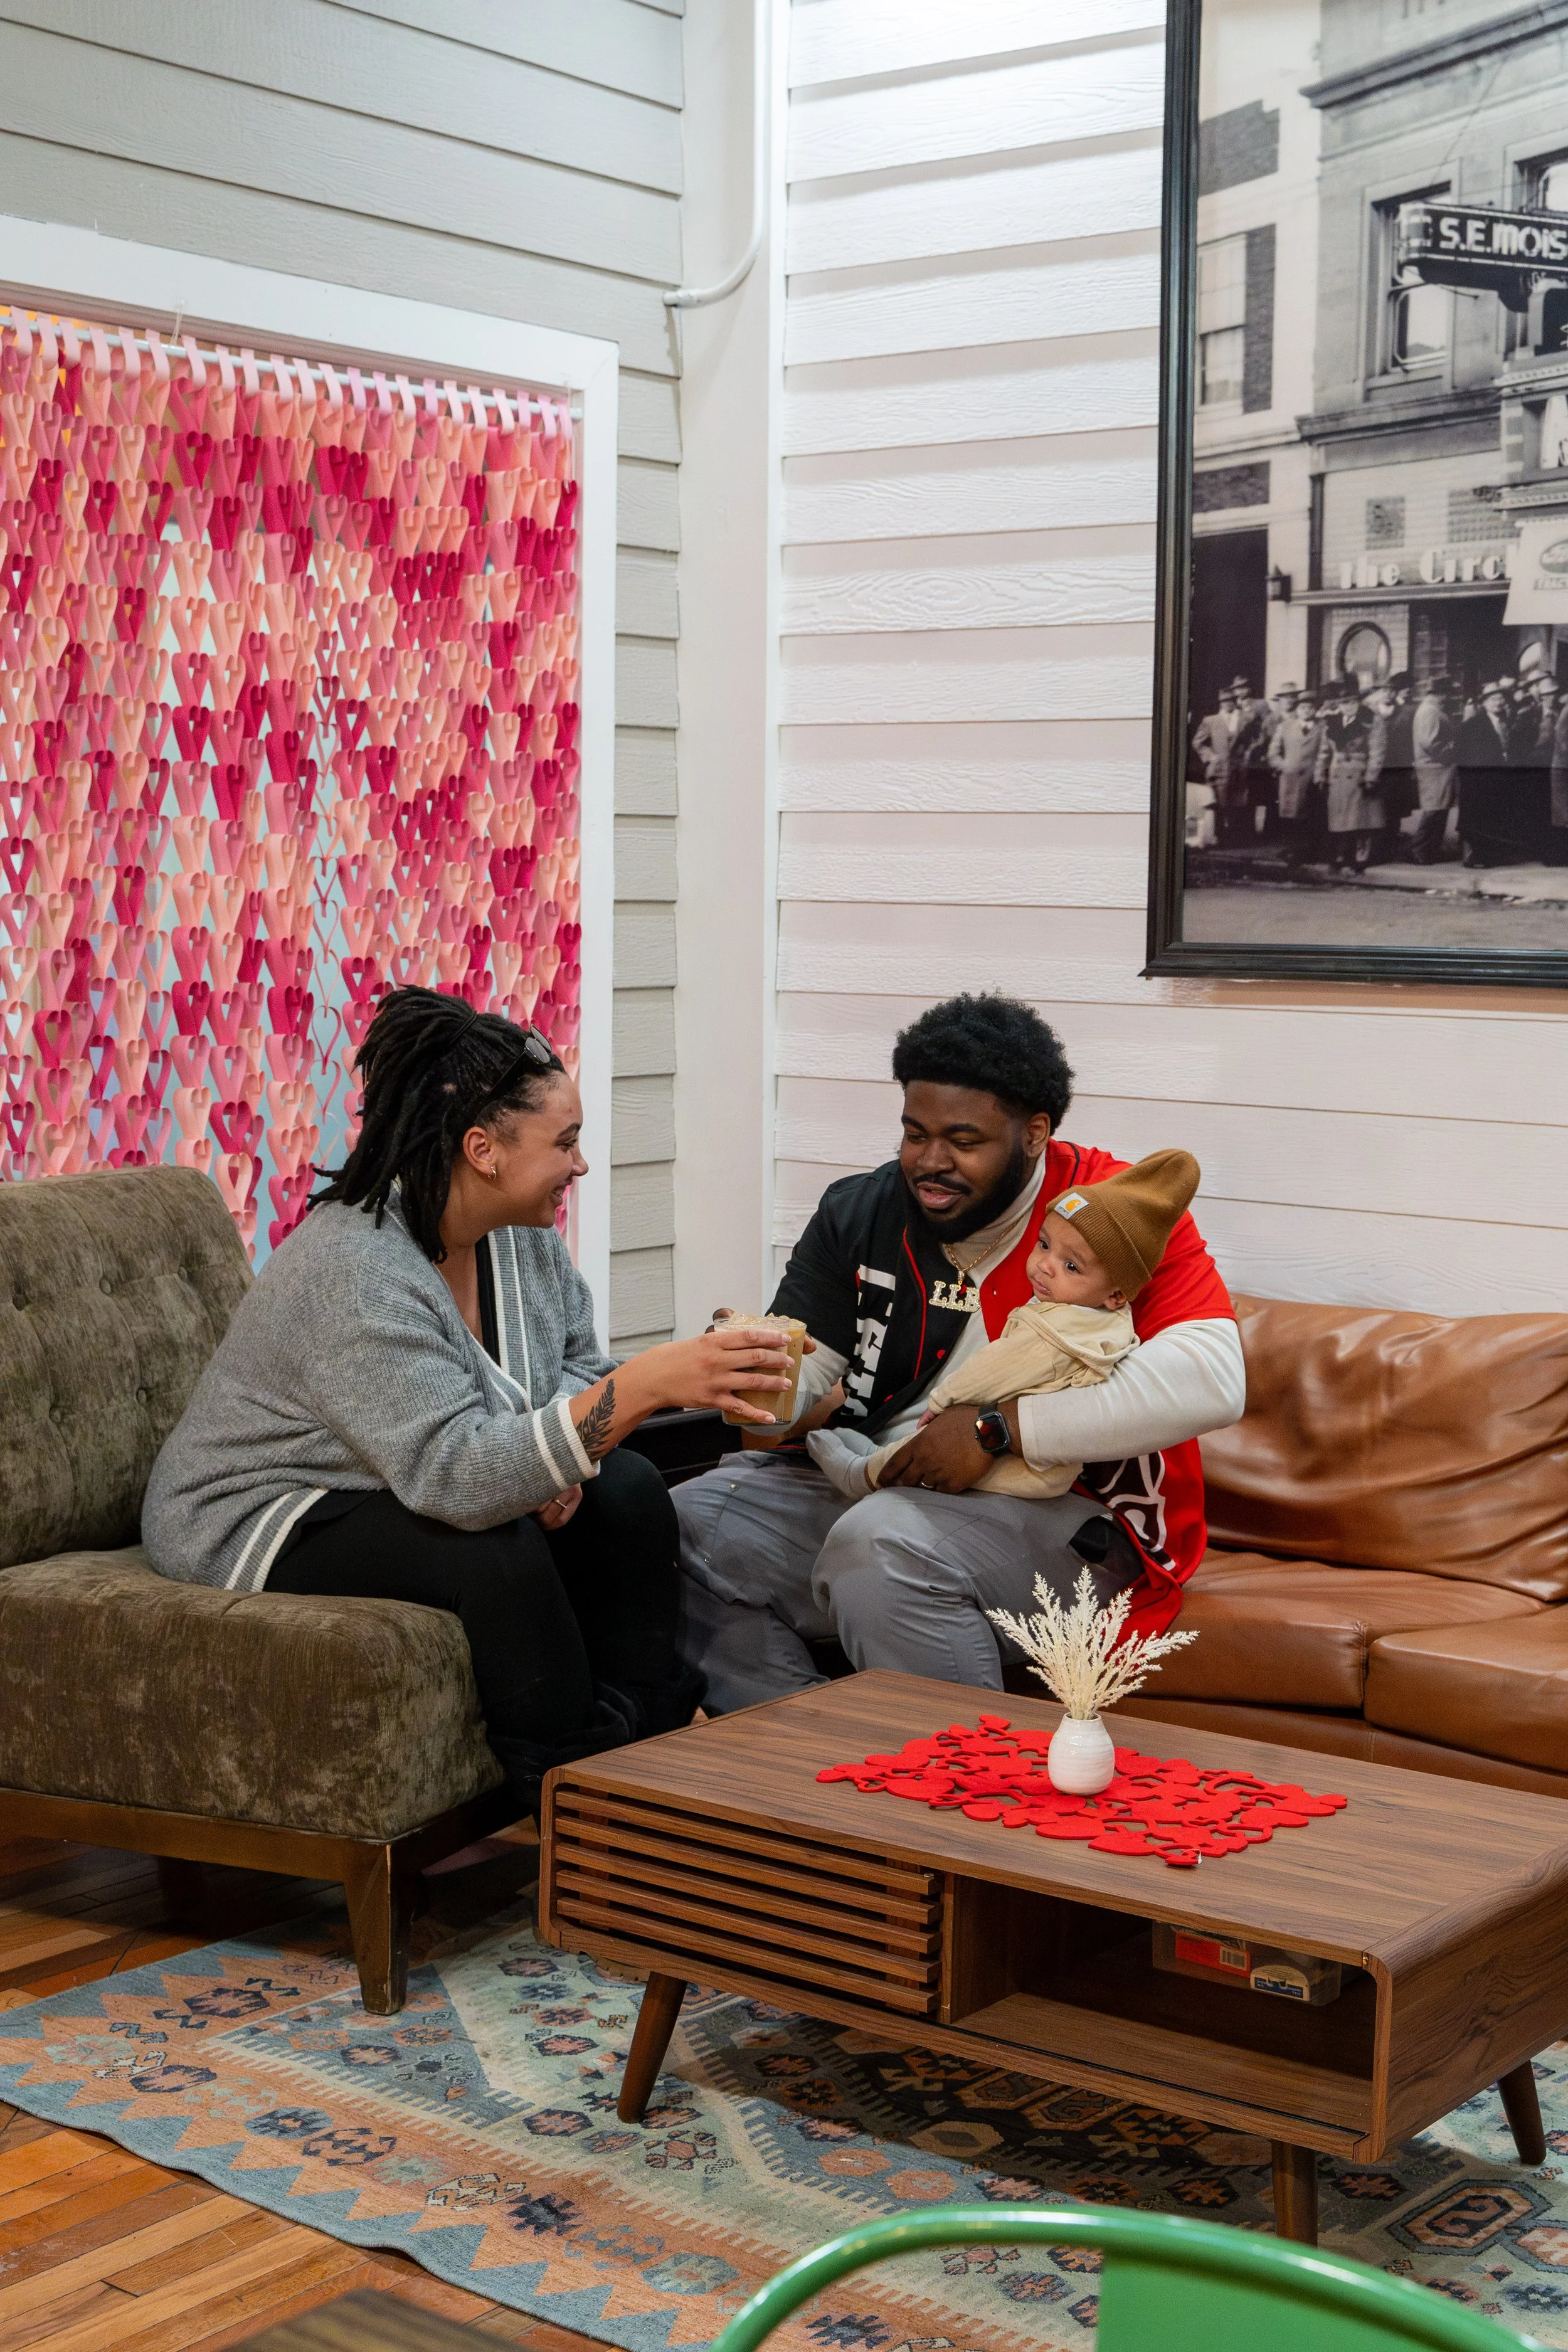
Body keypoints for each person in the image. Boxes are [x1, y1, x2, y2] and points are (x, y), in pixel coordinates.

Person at [142, 986, 800, 1815]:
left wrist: (563, 1453)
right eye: (566, 1142)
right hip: (267, 1506)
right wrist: (638, 1390)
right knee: (495, 1553)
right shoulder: (359, 1273)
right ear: (484, 1149)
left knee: (628, 1488)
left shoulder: (520, 1238)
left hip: (413, 1470)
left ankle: (650, 1757)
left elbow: (572, 1364)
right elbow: (456, 1480)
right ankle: (572, 1798)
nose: (581, 1164)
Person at [672, 995, 1244, 1710]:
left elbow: (1213, 1382)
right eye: (914, 1133)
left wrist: (995, 1429)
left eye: (964, 1141)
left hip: (1068, 1509)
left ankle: (957, 1798)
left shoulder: (1109, 1214)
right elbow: (800, 1383)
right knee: (683, 1523)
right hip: (883, 1483)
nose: (930, 1163)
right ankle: (797, 1762)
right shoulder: (859, 1210)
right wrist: (750, 1374)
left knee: (882, 1543)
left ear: (1034, 1133)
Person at [812, 1149, 1197, 1502]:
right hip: (1045, 1461)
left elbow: (991, 1370)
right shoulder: (1101, 1320)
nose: (1045, 1265)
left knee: (931, 1449)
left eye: (1071, 1266)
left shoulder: (1055, 1333)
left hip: (1019, 1468)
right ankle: (874, 1454)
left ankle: (862, 1474)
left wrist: (941, 1401)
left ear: (1115, 1294)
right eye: (1045, 1245)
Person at [1315, 676, 1384, 873]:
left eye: (1352, 702)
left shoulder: (1370, 720)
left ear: (1358, 702)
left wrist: (1371, 777)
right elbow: (1323, 752)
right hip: (1337, 775)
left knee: (1359, 819)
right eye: (1343, 703)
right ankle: (1340, 854)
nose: (1347, 707)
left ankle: (1358, 857)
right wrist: (1320, 775)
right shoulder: (1332, 722)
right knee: (1339, 817)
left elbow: (1377, 752)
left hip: (1359, 775)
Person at [1458, 681, 1525, 867]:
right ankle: (1477, 858)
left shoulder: (1506, 722)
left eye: (1501, 698)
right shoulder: (1472, 725)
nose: (1499, 703)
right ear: (1485, 703)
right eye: (1494, 699)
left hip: (1500, 778)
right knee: (1481, 819)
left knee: (1497, 817)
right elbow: (1463, 753)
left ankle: (1494, 856)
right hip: (1481, 780)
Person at [1266, 682, 1323, 865]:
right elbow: (1273, 752)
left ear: (1315, 710)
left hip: (1311, 778)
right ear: (1297, 710)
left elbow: (1326, 751)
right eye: (1303, 707)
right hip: (1289, 778)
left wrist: (1319, 771)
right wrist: (1283, 766)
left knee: (1309, 816)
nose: (1307, 711)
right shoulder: (1285, 726)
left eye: (1310, 707)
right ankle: (1291, 851)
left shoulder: (1322, 727)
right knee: (1289, 816)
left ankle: (1307, 853)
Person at [1410, 675, 1459, 865]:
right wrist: (1453, 750)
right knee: (1434, 812)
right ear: (1440, 694)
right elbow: (1431, 743)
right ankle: (1420, 850)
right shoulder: (1430, 712)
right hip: (1435, 769)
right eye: (1447, 694)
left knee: (1438, 811)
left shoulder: (1431, 710)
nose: (1448, 698)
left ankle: (1429, 851)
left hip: (1437, 769)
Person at [1368, 671, 1416, 860]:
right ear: (1378, 693)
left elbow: (1409, 742)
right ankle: (1374, 851)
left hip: (1396, 770)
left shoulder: (1404, 714)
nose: (1388, 694)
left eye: (1392, 691)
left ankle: (1389, 850)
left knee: (1393, 812)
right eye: (1384, 690)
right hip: (1374, 768)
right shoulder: (1370, 713)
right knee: (1374, 810)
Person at [1191, 688, 1244, 845]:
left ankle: (1236, 839)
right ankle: (1220, 838)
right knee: (1221, 805)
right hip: (1219, 770)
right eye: (1225, 701)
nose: (1229, 704)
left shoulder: (1243, 720)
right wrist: (1210, 756)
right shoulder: (1211, 720)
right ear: (1220, 703)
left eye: (1232, 700)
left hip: (1239, 770)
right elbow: (1197, 743)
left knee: (1238, 804)